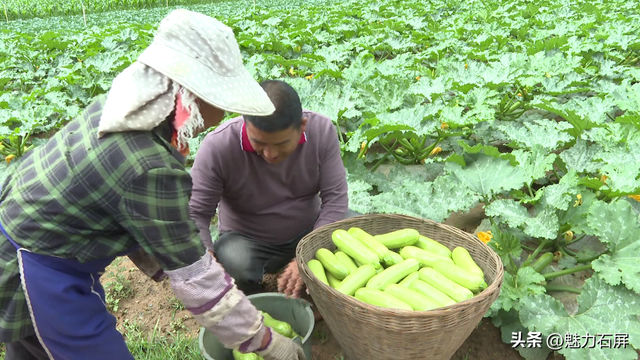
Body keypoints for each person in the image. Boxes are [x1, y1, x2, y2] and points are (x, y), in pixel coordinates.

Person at [0, 9, 304, 360]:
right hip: (39, 268)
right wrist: (266, 342)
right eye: (223, 100)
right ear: (193, 97)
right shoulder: (149, 166)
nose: (226, 110)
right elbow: (198, 282)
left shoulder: (119, 108)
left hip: (30, 238)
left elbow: (130, 212)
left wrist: (178, 257)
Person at [189, 79, 360, 300]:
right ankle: (256, 302)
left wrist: (308, 254)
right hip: (248, 239)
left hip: (310, 227)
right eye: (259, 143)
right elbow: (196, 213)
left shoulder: (321, 131)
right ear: (245, 124)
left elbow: (335, 200)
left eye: (281, 144)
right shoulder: (218, 147)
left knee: (357, 231)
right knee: (235, 261)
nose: (270, 154)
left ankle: (321, 300)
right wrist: (207, 260)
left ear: (303, 126)